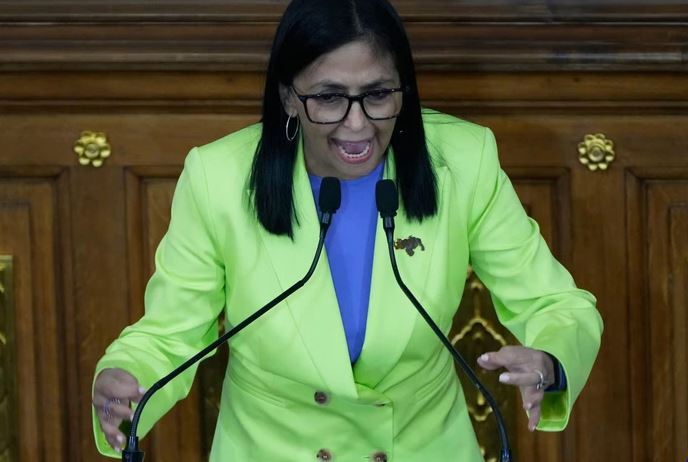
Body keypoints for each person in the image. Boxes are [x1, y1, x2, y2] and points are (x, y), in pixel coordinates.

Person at [91, 0, 603, 460]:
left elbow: (557, 304)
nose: (357, 125)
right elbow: (171, 333)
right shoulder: (219, 178)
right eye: (329, 97)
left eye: (377, 94)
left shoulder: (464, 162)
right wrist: (127, 378)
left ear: (403, 89)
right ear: (289, 97)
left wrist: (551, 360)